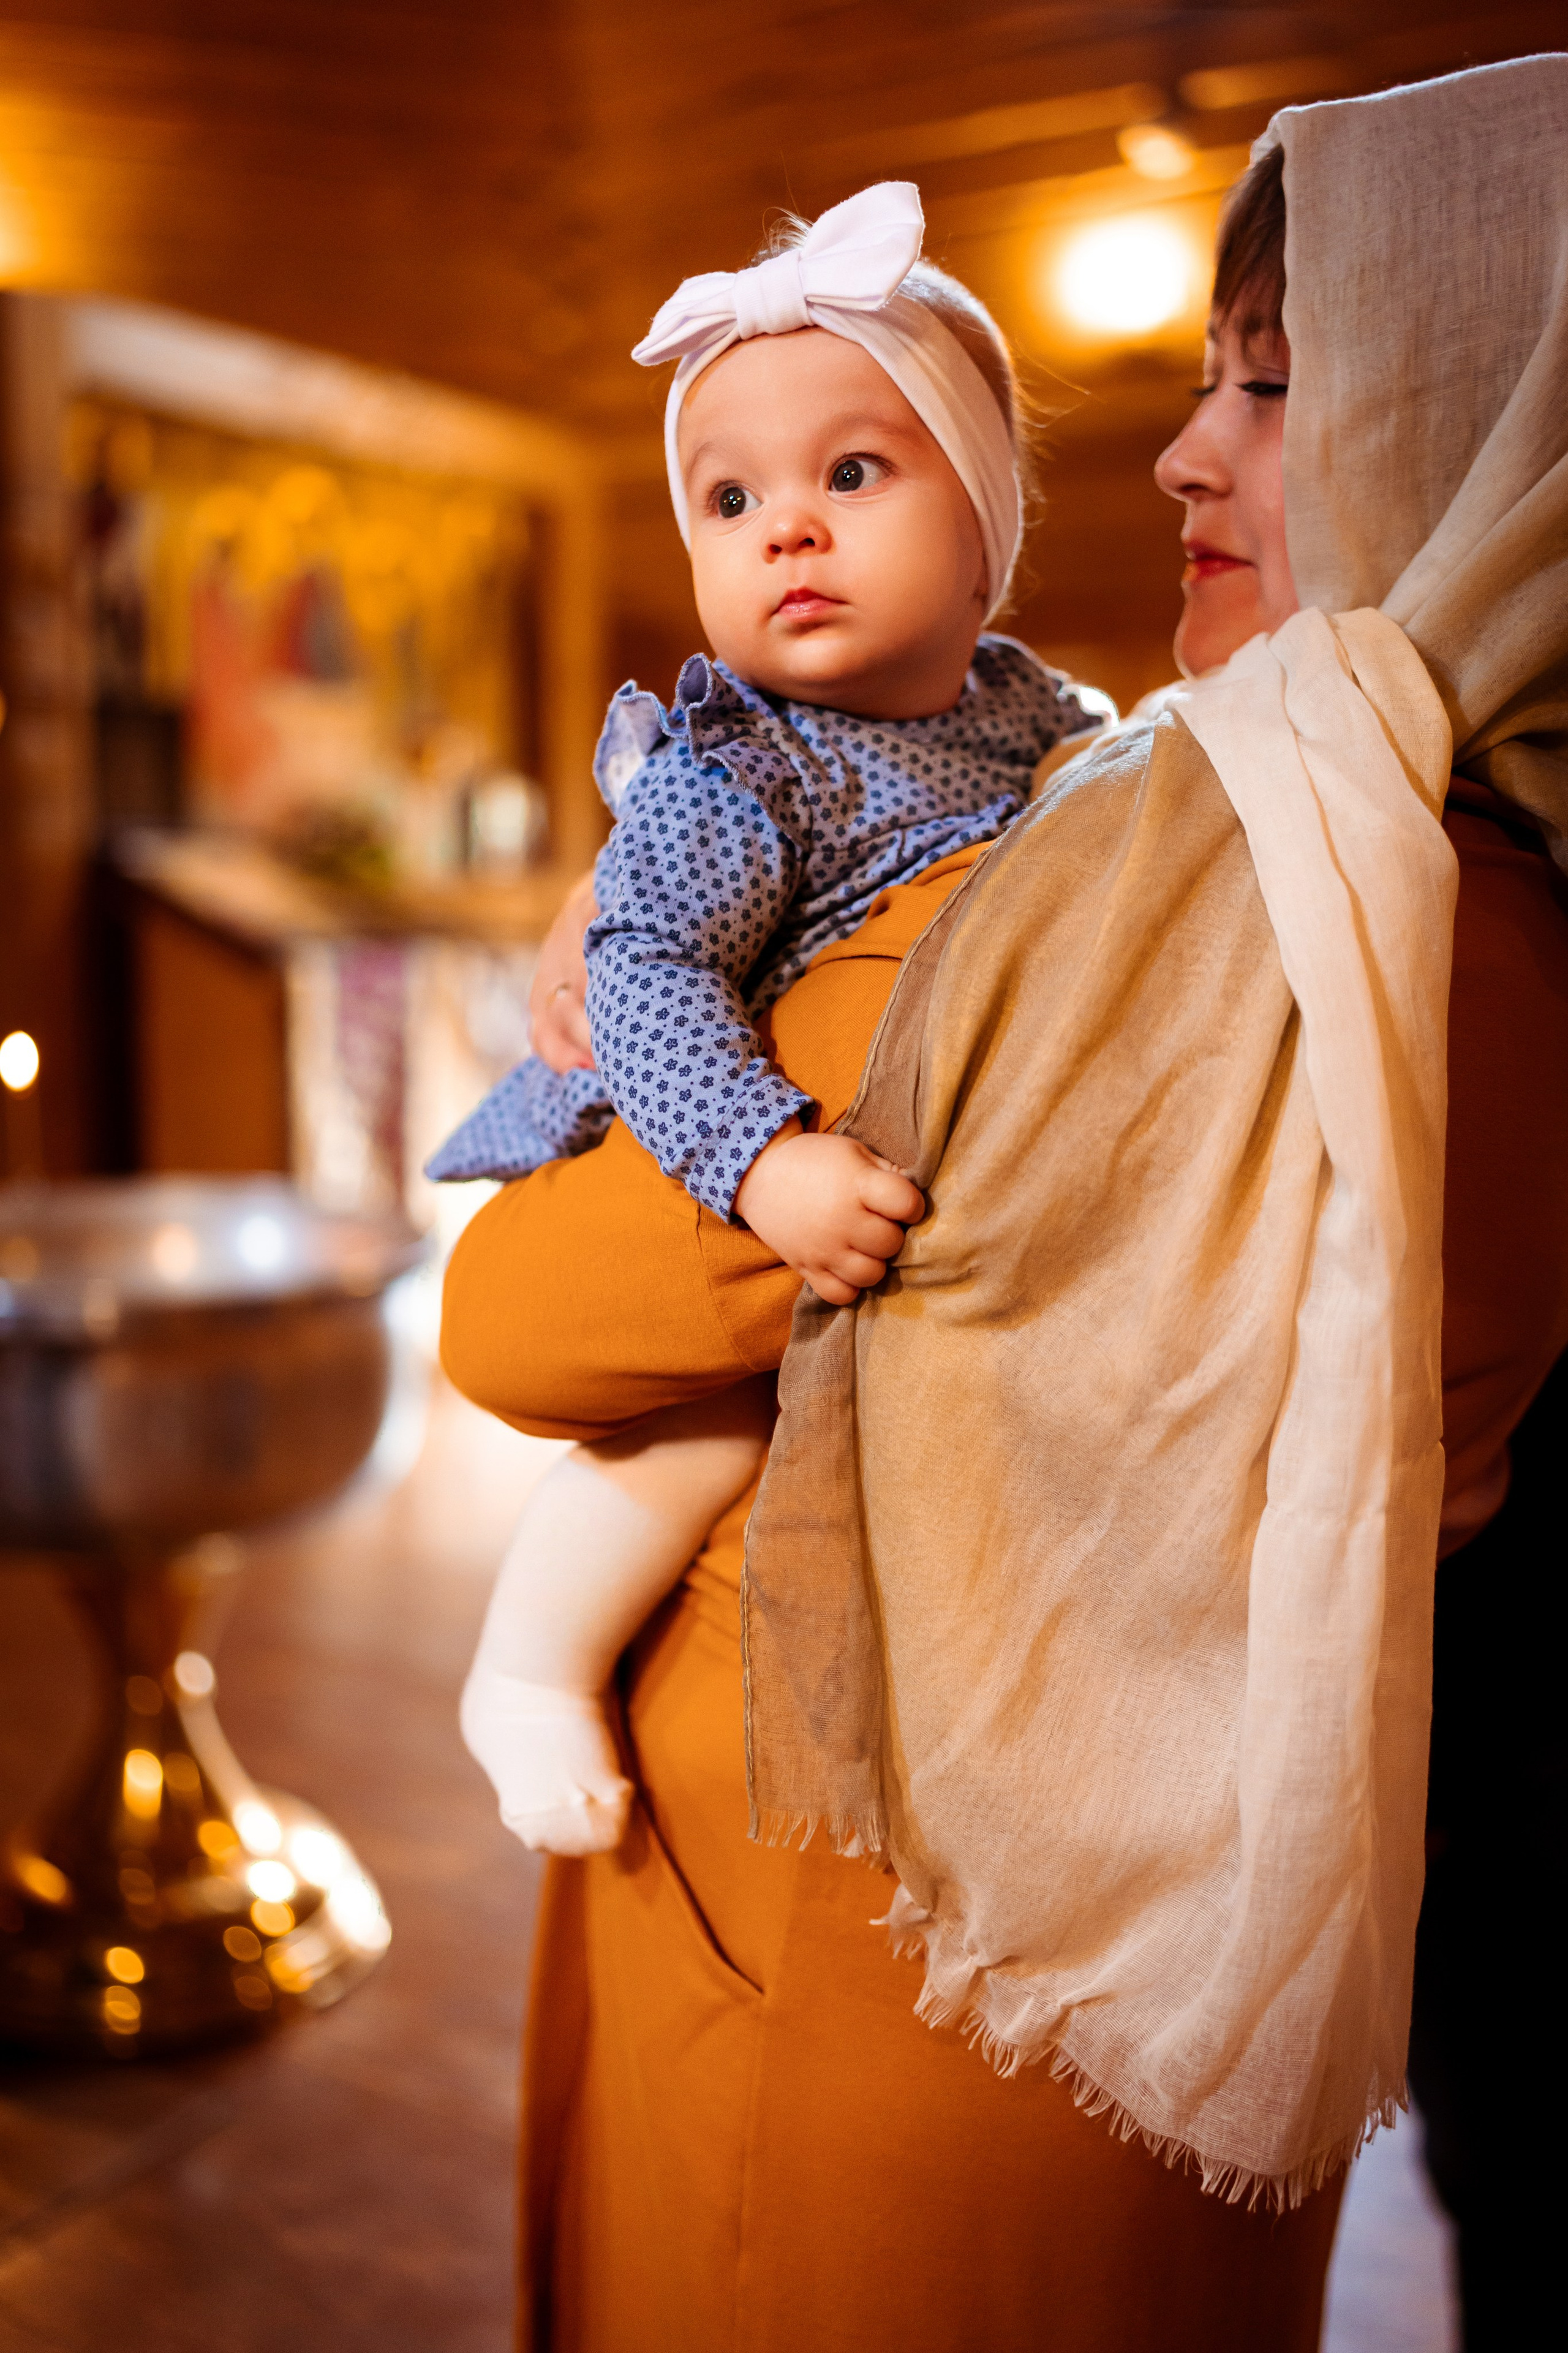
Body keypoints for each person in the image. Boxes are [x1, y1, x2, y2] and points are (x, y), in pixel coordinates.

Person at [441, 55, 1568, 2352]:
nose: (1185, 450)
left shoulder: (1240, 904)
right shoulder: (1461, 867)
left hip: (888, 1942)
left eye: (1273, 386)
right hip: (1162, 1949)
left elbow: (517, 1327)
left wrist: (698, 1051)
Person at [435, 184, 1094, 1856]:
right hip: (678, 1110)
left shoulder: (1032, 714)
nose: (784, 528)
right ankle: (527, 1658)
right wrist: (767, 1162)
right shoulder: (744, 774)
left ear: (988, 525)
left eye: (850, 474)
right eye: (730, 500)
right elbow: (647, 982)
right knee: (708, 1418)